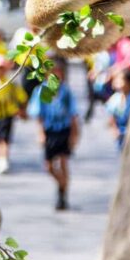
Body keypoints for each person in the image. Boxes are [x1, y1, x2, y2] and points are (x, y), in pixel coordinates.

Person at [27, 58, 79, 211]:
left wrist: (74, 135)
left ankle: (63, 194)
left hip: (63, 129)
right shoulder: (41, 91)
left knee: (63, 161)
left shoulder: (66, 91)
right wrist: (41, 133)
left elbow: (73, 115)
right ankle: (61, 183)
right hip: (50, 131)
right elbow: (38, 115)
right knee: (49, 166)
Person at [0, 54, 27, 174]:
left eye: (2, 68)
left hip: (6, 115)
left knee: (3, 139)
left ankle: (2, 160)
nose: (0, 71)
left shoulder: (10, 83)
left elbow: (22, 97)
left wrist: (22, 111)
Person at [105, 68, 130, 151]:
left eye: (120, 79)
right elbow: (111, 116)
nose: (117, 81)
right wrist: (115, 130)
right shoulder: (115, 98)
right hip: (120, 134)